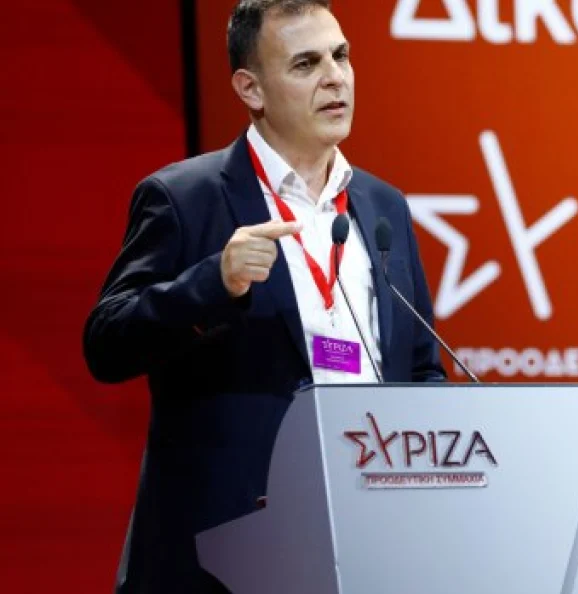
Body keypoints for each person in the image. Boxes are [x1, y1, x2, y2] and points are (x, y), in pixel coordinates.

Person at [83, 1, 446, 591]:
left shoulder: (383, 206)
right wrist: (213, 283)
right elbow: (106, 343)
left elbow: (421, 369)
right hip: (226, 556)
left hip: (366, 543)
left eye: (341, 56)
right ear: (250, 88)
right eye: (306, 64)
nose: (335, 77)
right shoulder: (185, 198)